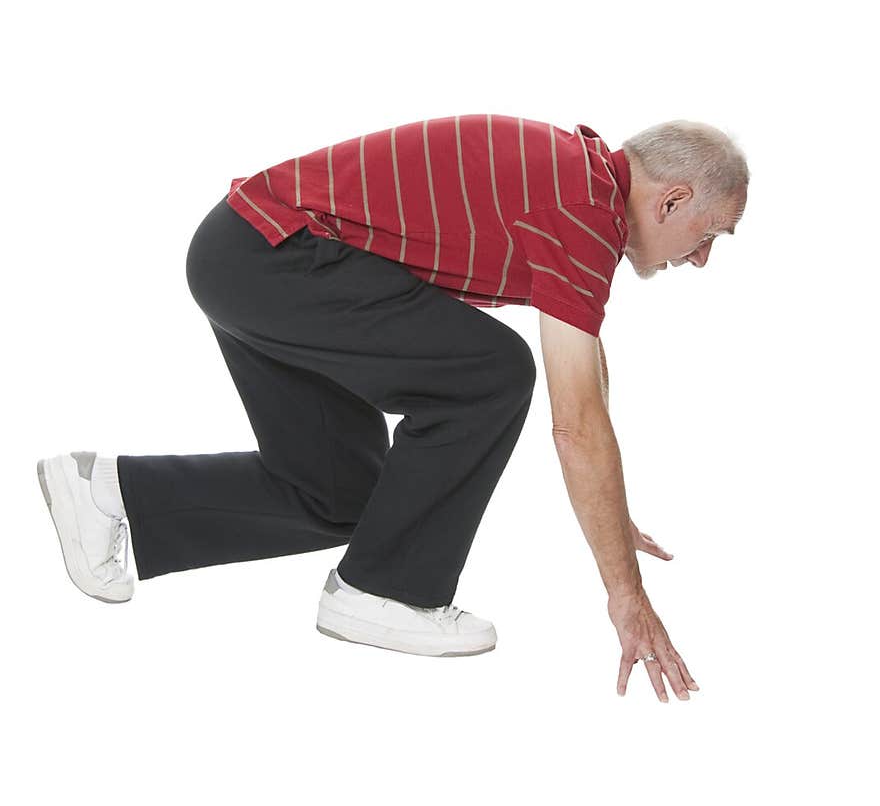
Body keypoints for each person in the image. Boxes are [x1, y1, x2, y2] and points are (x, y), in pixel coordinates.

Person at [37, 113, 748, 695]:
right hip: (275, 256)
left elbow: (588, 374)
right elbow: (577, 425)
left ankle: (109, 493)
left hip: (247, 251)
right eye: (711, 233)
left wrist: (611, 512)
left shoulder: (579, 182)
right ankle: (388, 590)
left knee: (343, 493)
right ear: (673, 199)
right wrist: (628, 600)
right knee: (495, 371)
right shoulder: (583, 211)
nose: (702, 257)